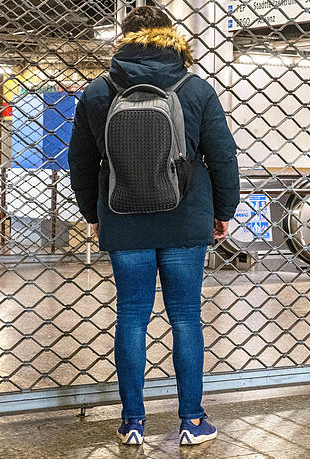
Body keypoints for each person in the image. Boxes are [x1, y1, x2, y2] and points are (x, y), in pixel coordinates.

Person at [68, 5, 239, 446]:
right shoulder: (196, 88)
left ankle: (132, 423)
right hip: (185, 217)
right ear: (172, 36)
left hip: (123, 218)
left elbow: (81, 161)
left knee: (131, 316)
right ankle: (192, 420)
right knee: (185, 317)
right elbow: (222, 156)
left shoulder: (98, 91)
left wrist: (94, 215)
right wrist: (224, 210)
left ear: (122, 39)